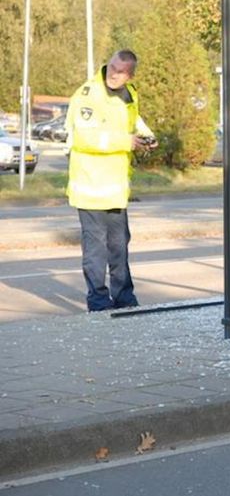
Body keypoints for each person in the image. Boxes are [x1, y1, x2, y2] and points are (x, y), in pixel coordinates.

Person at [65, 50, 156, 311]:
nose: (114, 74)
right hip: (90, 187)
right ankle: (98, 301)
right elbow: (83, 137)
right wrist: (124, 142)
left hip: (115, 190)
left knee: (119, 247)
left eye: (121, 71)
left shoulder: (129, 94)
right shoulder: (88, 95)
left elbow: (132, 120)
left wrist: (146, 135)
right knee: (96, 251)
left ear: (130, 75)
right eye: (112, 67)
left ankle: (125, 298)